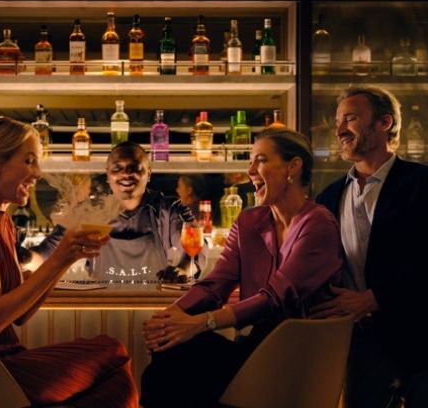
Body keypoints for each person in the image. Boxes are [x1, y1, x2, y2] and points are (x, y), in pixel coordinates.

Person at [0, 117, 138, 408]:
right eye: (29, 161)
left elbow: (20, 315)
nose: (38, 173)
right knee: (112, 352)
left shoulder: (0, 220)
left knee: (110, 384)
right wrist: (59, 258)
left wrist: (67, 258)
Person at [140, 128, 345, 408]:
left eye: (260, 160)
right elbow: (217, 283)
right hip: (256, 348)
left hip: (299, 356)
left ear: (293, 166)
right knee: (170, 348)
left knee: (173, 368)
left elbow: (275, 298)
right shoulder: (249, 221)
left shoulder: (318, 224)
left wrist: (201, 322)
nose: (250, 170)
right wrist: (172, 315)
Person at [311, 86, 428, 408]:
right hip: (365, 347)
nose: (340, 129)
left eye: (351, 118)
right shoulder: (329, 197)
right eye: (339, 120)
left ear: (384, 123)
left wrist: (371, 299)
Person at [35, 141, 195, 283]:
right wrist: (24, 258)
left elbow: (196, 247)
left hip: (154, 305)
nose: (125, 174)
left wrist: (183, 268)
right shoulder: (88, 211)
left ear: (149, 173)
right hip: (101, 306)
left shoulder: (170, 209)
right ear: (107, 175)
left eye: (135, 168)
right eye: (117, 168)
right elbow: (46, 252)